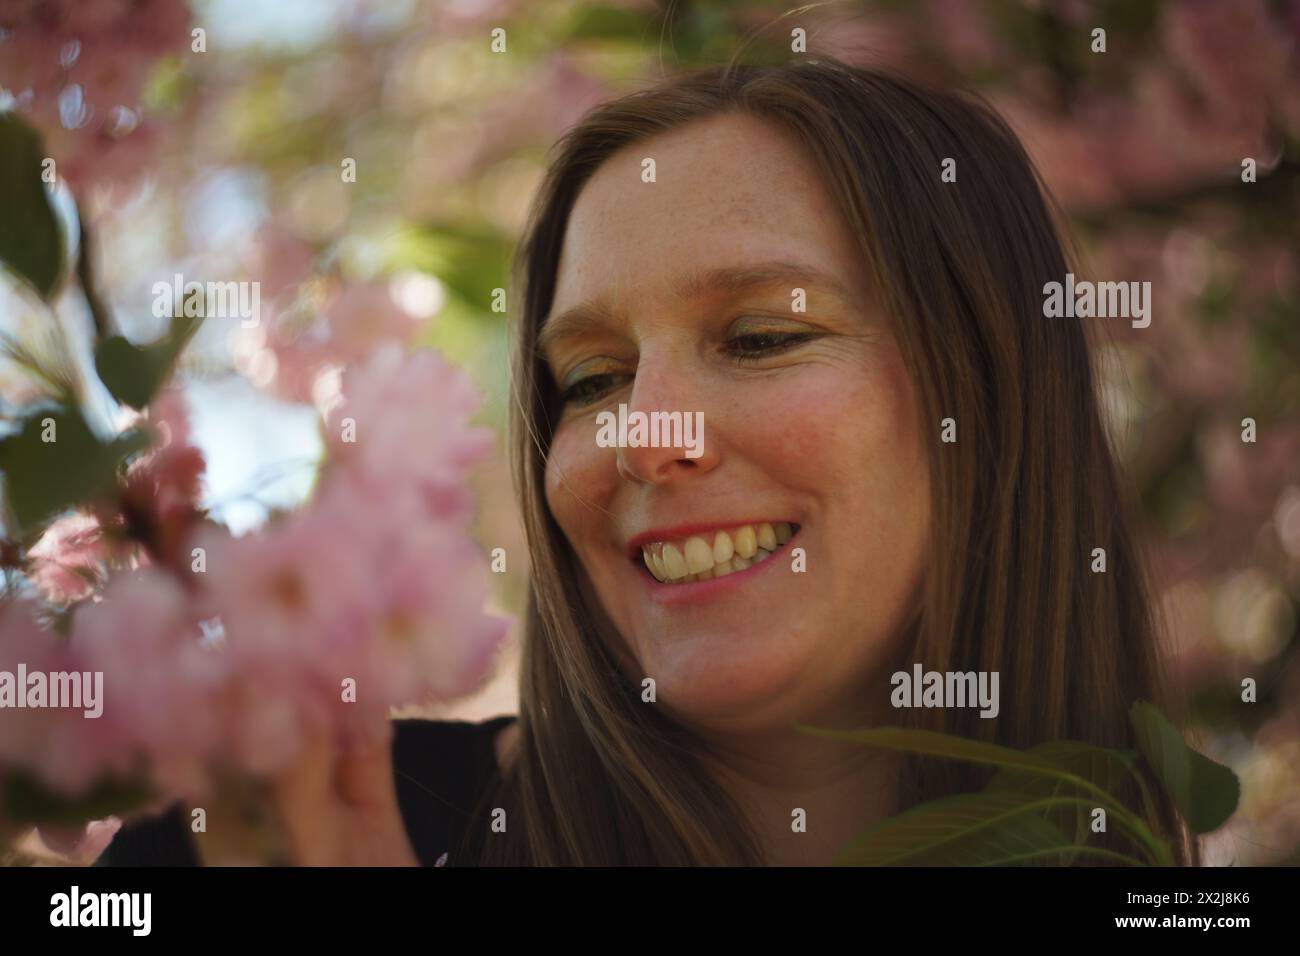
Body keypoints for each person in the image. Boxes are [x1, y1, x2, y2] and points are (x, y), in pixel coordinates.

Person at [101, 56, 1197, 867]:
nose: (644, 431)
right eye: (591, 379)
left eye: (763, 336)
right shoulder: (252, 842)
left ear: (989, 395)